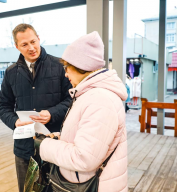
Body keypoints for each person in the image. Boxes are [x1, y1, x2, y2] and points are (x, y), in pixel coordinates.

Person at [36, 31, 128, 192]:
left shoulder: (100, 100)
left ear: (81, 67)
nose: (65, 74)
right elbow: (89, 139)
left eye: (67, 67)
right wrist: (59, 137)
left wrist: (44, 145)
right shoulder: (91, 94)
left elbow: (84, 158)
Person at [0, 23, 72, 192]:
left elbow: (72, 100)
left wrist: (52, 113)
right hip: (24, 147)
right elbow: (2, 105)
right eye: (24, 44)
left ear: (39, 38)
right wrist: (14, 121)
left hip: (55, 145)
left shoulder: (60, 66)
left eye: (33, 41)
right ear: (16, 46)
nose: (31, 47)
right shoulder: (11, 72)